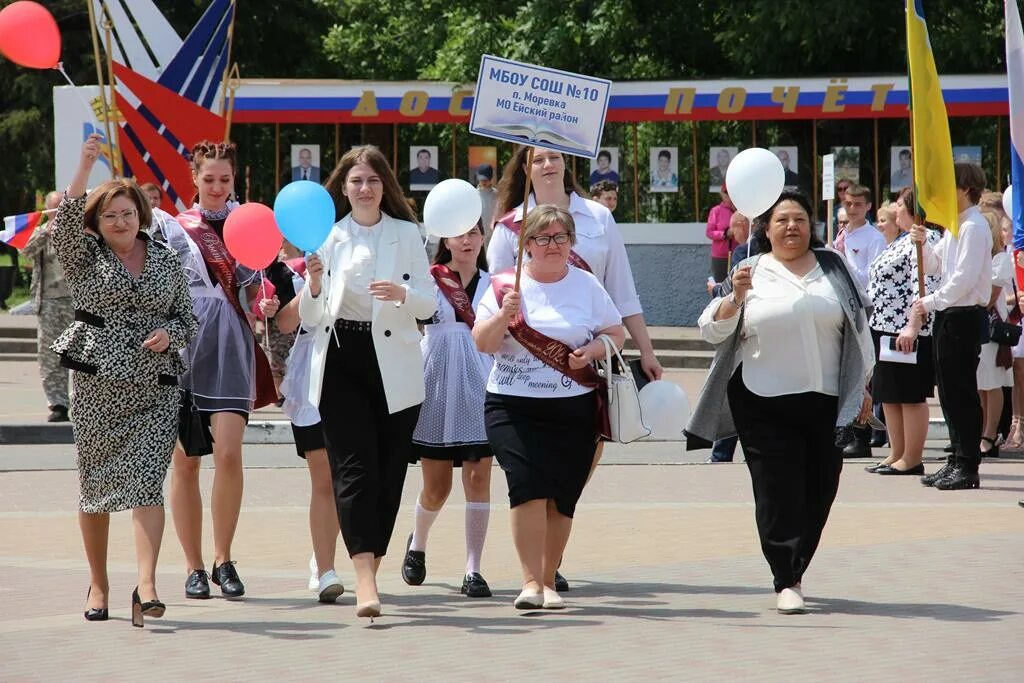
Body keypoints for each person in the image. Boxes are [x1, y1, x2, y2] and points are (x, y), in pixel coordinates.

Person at [688, 191, 874, 614]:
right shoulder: (749, 269)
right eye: (782, 220)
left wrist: (863, 387)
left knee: (820, 489)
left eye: (800, 219)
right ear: (766, 229)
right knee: (776, 492)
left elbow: (859, 330)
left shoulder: (834, 266)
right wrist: (734, 298)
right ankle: (786, 578)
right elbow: (710, 331)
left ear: (812, 226)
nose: (792, 227)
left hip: (826, 401)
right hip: (763, 400)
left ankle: (798, 562)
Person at [488, 145, 663, 592]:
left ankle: (550, 560)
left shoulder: (598, 219)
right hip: (518, 370)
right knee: (527, 479)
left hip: (587, 365)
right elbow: (493, 294)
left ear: (567, 164)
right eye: (537, 159)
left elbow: (622, 292)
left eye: (554, 157)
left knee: (571, 475)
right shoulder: (509, 225)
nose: (547, 165)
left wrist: (645, 349)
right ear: (525, 168)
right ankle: (539, 573)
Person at [50, 134, 198, 626]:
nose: (121, 221)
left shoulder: (165, 257)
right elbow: (66, 223)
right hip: (96, 383)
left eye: (128, 213)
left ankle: (148, 584)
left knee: (146, 484)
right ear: (98, 220)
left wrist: (168, 333)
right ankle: (99, 582)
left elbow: (187, 318)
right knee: (95, 488)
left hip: (155, 386)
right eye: (110, 214)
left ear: (142, 215)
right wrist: (85, 165)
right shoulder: (84, 255)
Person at [299, 144, 435, 620]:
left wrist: (403, 294)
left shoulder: (406, 233)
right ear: (343, 186)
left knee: (389, 472)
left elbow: (430, 305)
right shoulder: (327, 237)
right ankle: (363, 577)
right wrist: (313, 285)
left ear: (385, 187)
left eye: (373, 180)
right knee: (353, 469)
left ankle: (370, 559)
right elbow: (312, 318)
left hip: (393, 363)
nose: (364, 188)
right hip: (341, 360)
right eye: (355, 181)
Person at [474, 204, 625, 610]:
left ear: (571, 242)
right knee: (527, 486)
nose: (552, 244)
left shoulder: (587, 285)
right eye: (542, 237)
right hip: (512, 405)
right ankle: (529, 582)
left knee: (562, 496)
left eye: (560, 237)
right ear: (526, 245)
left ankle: (548, 580)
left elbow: (616, 332)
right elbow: (483, 344)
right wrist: (501, 319)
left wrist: (591, 350)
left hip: (572, 407)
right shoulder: (504, 286)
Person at [160, 140, 278, 601]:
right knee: (186, 460)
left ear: (235, 180)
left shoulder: (246, 225)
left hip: (231, 346)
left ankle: (223, 557)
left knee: (229, 453)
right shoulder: (172, 228)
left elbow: (256, 288)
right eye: (208, 179)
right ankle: (191, 566)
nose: (216, 187)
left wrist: (263, 302)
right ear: (194, 178)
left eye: (224, 180)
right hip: (185, 348)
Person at [401, 222, 495, 599]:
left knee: (477, 479)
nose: (467, 240)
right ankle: (417, 542)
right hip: (436, 385)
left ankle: (473, 569)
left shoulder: (496, 283)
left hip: (480, 385)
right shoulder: (429, 280)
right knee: (436, 488)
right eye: (459, 234)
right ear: (445, 240)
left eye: (474, 233)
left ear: (483, 239)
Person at [259, 248, 344, 604]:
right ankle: (324, 565)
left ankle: (325, 552)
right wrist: (310, 282)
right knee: (324, 477)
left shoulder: (357, 250)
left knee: (348, 477)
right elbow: (283, 324)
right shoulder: (280, 270)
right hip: (310, 374)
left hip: (353, 368)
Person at [910, 162, 992, 490]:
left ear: (964, 187)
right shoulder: (954, 225)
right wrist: (922, 242)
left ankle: (968, 464)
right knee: (947, 392)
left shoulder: (974, 225)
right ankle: (957, 458)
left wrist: (930, 302)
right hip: (949, 315)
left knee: (961, 392)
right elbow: (933, 265)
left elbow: (964, 279)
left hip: (964, 315)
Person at [863, 196, 939, 476]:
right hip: (885, 326)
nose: (894, 206)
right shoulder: (901, 239)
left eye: (898, 202)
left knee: (909, 394)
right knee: (890, 394)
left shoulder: (923, 238)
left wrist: (913, 325)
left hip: (907, 329)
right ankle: (896, 453)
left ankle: (912, 457)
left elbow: (924, 284)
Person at [21, 190, 73, 422]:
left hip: (77, 302)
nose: (58, 214)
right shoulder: (41, 233)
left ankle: (81, 401)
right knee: (51, 355)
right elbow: (26, 252)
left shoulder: (80, 232)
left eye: (62, 208)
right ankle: (58, 403)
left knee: (82, 355)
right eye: (54, 209)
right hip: (50, 301)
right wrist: (45, 233)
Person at [706, 211, 752, 464]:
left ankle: (721, 456)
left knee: (731, 397)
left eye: (733, 226)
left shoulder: (743, 252)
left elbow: (729, 294)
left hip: (738, 337)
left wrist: (716, 291)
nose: (731, 231)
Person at [975, 211, 1014, 458]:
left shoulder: (999, 259)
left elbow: (990, 296)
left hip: (991, 328)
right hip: (977, 328)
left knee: (992, 382)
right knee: (980, 384)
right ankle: (980, 431)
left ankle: (990, 435)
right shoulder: (980, 259)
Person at [706, 184, 736, 282]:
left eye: (731, 192)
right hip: (720, 256)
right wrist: (724, 234)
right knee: (720, 285)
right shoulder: (716, 211)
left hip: (737, 253)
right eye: (726, 193)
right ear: (721, 194)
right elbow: (709, 232)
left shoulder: (741, 210)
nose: (729, 195)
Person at [476, 164, 499, 240]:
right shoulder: (474, 194)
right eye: (481, 179)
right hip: (478, 234)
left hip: (493, 234)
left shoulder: (496, 194)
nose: (483, 182)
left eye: (486, 179)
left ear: (491, 178)